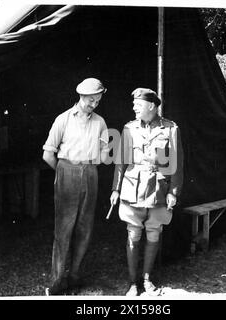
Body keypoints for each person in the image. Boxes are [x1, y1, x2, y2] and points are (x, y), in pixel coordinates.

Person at [110, 88, 183, 296]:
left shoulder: (170, 129)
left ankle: (147, 279)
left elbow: (177, 164)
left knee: (153, 232)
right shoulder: (129, 128)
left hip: (159, 191)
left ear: (151, 106)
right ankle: (133, 283)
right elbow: (120, 162)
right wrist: (115, 188)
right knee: (133, 234)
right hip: (132, 190)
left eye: (138, 104)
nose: (134, 108)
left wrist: (173, 192)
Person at [43, 78, 109, 295]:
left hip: (90, 172)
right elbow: (48, 154)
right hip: (66, 171)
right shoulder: (63, 119)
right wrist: (64, 172)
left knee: (84, 228)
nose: (94, 105)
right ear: (81, 96)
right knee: (63, 229)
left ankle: (75, 275)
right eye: (91, 100)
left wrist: (89, 166)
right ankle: (57, 280)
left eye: (98, 101)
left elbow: (104, 153)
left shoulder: (100, 122)